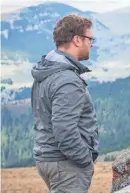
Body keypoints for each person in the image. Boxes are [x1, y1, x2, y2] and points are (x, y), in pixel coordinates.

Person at [31, 14, 99, 192]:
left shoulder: (47, 69)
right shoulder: (67, 79)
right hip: (66, 164)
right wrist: (85, 160)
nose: (91, 44)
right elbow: (64, 129)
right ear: (77, 39)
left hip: (48, 157)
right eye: (90, 39)